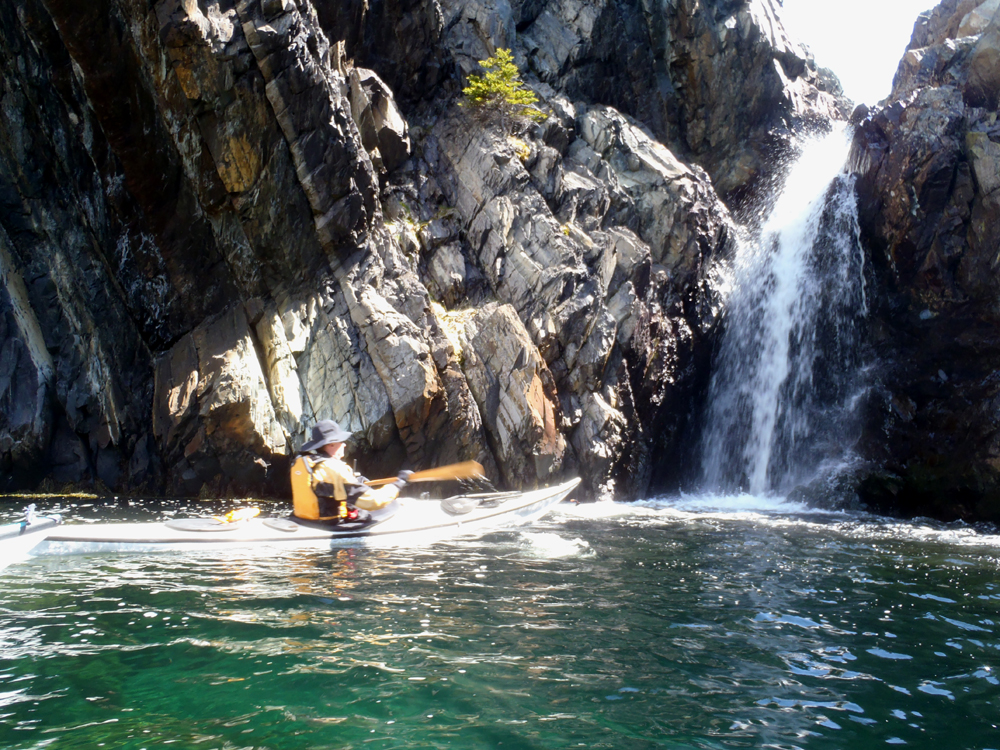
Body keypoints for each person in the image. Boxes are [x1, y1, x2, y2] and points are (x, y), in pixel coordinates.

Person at [290, 420, 411, 524]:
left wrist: (356, 481)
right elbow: (374, 501)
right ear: (331, 444)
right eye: (341, 441)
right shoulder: (334, 468)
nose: (344, 445)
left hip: (303, 520)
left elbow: (327, 487)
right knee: (390, 507)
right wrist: (398, 484)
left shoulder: (304, 463)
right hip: (324, 525)